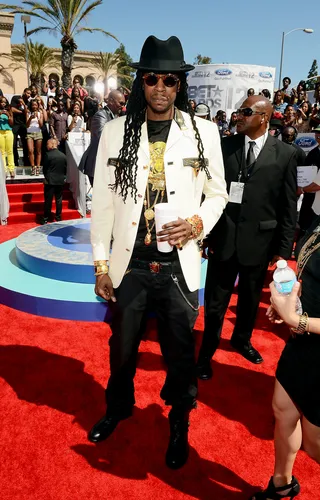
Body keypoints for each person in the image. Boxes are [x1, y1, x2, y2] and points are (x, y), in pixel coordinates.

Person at [89, 35, 228, 469]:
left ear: (180, 84)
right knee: (122, 348)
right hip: (129, 264)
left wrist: (196, 224)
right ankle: (118, 407)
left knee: (181, 356)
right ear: (141, 83)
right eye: (153, 79)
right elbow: (104, 203)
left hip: (178, 267)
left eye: (170, 79)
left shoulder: (203, 132)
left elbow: (219, 193)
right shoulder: (115, 132)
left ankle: (179, 422)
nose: (161, 87)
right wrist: (100, 264)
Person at [196, 95, 298, 379]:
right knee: (216, 302)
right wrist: (205, 232)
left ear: (264, 117)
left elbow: (287, 205)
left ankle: (242, 339)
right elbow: (208, 193)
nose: (237, 117)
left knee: (250, 299)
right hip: (224, 239)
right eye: (238, 112)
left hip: (260, 242)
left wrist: (283, 247)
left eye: (245, 112)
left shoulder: (285, 154)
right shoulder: (224, 146)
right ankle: (207, 350)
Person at [250, 216, 320, 500]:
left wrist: (296, 318)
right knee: (283, 409)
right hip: (302, 343)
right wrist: (292, 299)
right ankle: (282, 484)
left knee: (315, 446)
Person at [79, 90, 125, 186]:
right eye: (120, 103)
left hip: (107, 165)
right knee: (100, 199)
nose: (122, 106)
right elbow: (102, 137)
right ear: (111, 101)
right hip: (97, 166)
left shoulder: (114, 116)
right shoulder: (101, 115)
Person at [298, 125, 320, 231]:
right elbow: (304, 170)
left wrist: (301, 189)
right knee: (305, 224)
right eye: (317, 133)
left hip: (316, 193)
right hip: (309, 194)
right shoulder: (313, 152)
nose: (318, 136)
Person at [42, 138, 67, 224]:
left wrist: (47, 177)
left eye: (47, 144)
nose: (46, 146)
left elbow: (45, 169)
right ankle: (58, 216)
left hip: (50, 181)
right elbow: (65, 169)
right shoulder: (63, 155)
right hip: (60, 181)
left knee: (48, 200)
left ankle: (46, 217)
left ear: (53, 144)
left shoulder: (47, 155)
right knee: (59, 200)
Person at [10, 88, 31, 167]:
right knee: (14, 144)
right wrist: (22, 111)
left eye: (30, 94)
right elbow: (12, 109)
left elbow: (27, 112)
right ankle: (15, 162)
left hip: (23, 124)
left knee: (25, 144)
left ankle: (26, 162)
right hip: (15, 124)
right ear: (24, 92)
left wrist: (24, 104)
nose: (28, 95)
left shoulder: (28, 103)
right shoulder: (16, 98)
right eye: (28, 93)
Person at [25, 99, 44, 175]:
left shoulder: (40, 113)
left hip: (38, 133)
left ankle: (38, 167)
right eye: (33, 105)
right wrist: (30, 118)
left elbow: (41, 125)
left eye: (36, 105)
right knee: (30, 150)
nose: (34, 106)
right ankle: (33, 167)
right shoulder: (28, 113)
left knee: (38, 151)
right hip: (29, 133)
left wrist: (38, 118)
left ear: (37, 106)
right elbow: (26, 125)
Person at [0, 96, 15, 179]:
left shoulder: (9, 110)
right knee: (2, 152)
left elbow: (12, 123)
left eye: (5, 102)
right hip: (0, 132)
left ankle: (11, 169)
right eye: (2, 102)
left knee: (9, 151)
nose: (3, 103)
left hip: (9, 132)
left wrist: (8, 115)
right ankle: (4, 170)